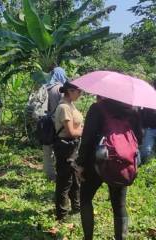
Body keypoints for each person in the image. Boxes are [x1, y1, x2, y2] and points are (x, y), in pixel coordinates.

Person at [77, 98, 142, 240]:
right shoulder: (132, 110)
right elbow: (139, 139)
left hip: (93, 162)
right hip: (121, 163)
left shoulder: (97, 108)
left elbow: (87, 139)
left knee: (86, 199)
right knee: (119, 206)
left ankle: (88, 238)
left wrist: (80, 163)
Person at [53, 81, 83, 221]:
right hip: (65, 147)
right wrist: (85, 130)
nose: (80, 94)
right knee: (65, 181)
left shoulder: (71, 104)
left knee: (75, 179)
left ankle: (76, 208)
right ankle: (62, 214)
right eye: (78, 91)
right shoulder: (64, 107)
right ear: (70, 91)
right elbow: (70, 131)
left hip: (72, 147)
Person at [43, 67, 68, 181]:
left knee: (47, 149)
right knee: (59, 149)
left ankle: (49, 174)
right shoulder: (59, 89)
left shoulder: (46, 87)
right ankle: (58, 175)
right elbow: (64, 106)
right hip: (56, 123)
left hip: (45, 122)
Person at [140, 80, 156, 164]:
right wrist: (142, 126)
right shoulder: (148, 96)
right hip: (149, 128)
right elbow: (142, 112)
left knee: (146, 151)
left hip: (149, 128)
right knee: (146, 152)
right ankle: (144, 167)